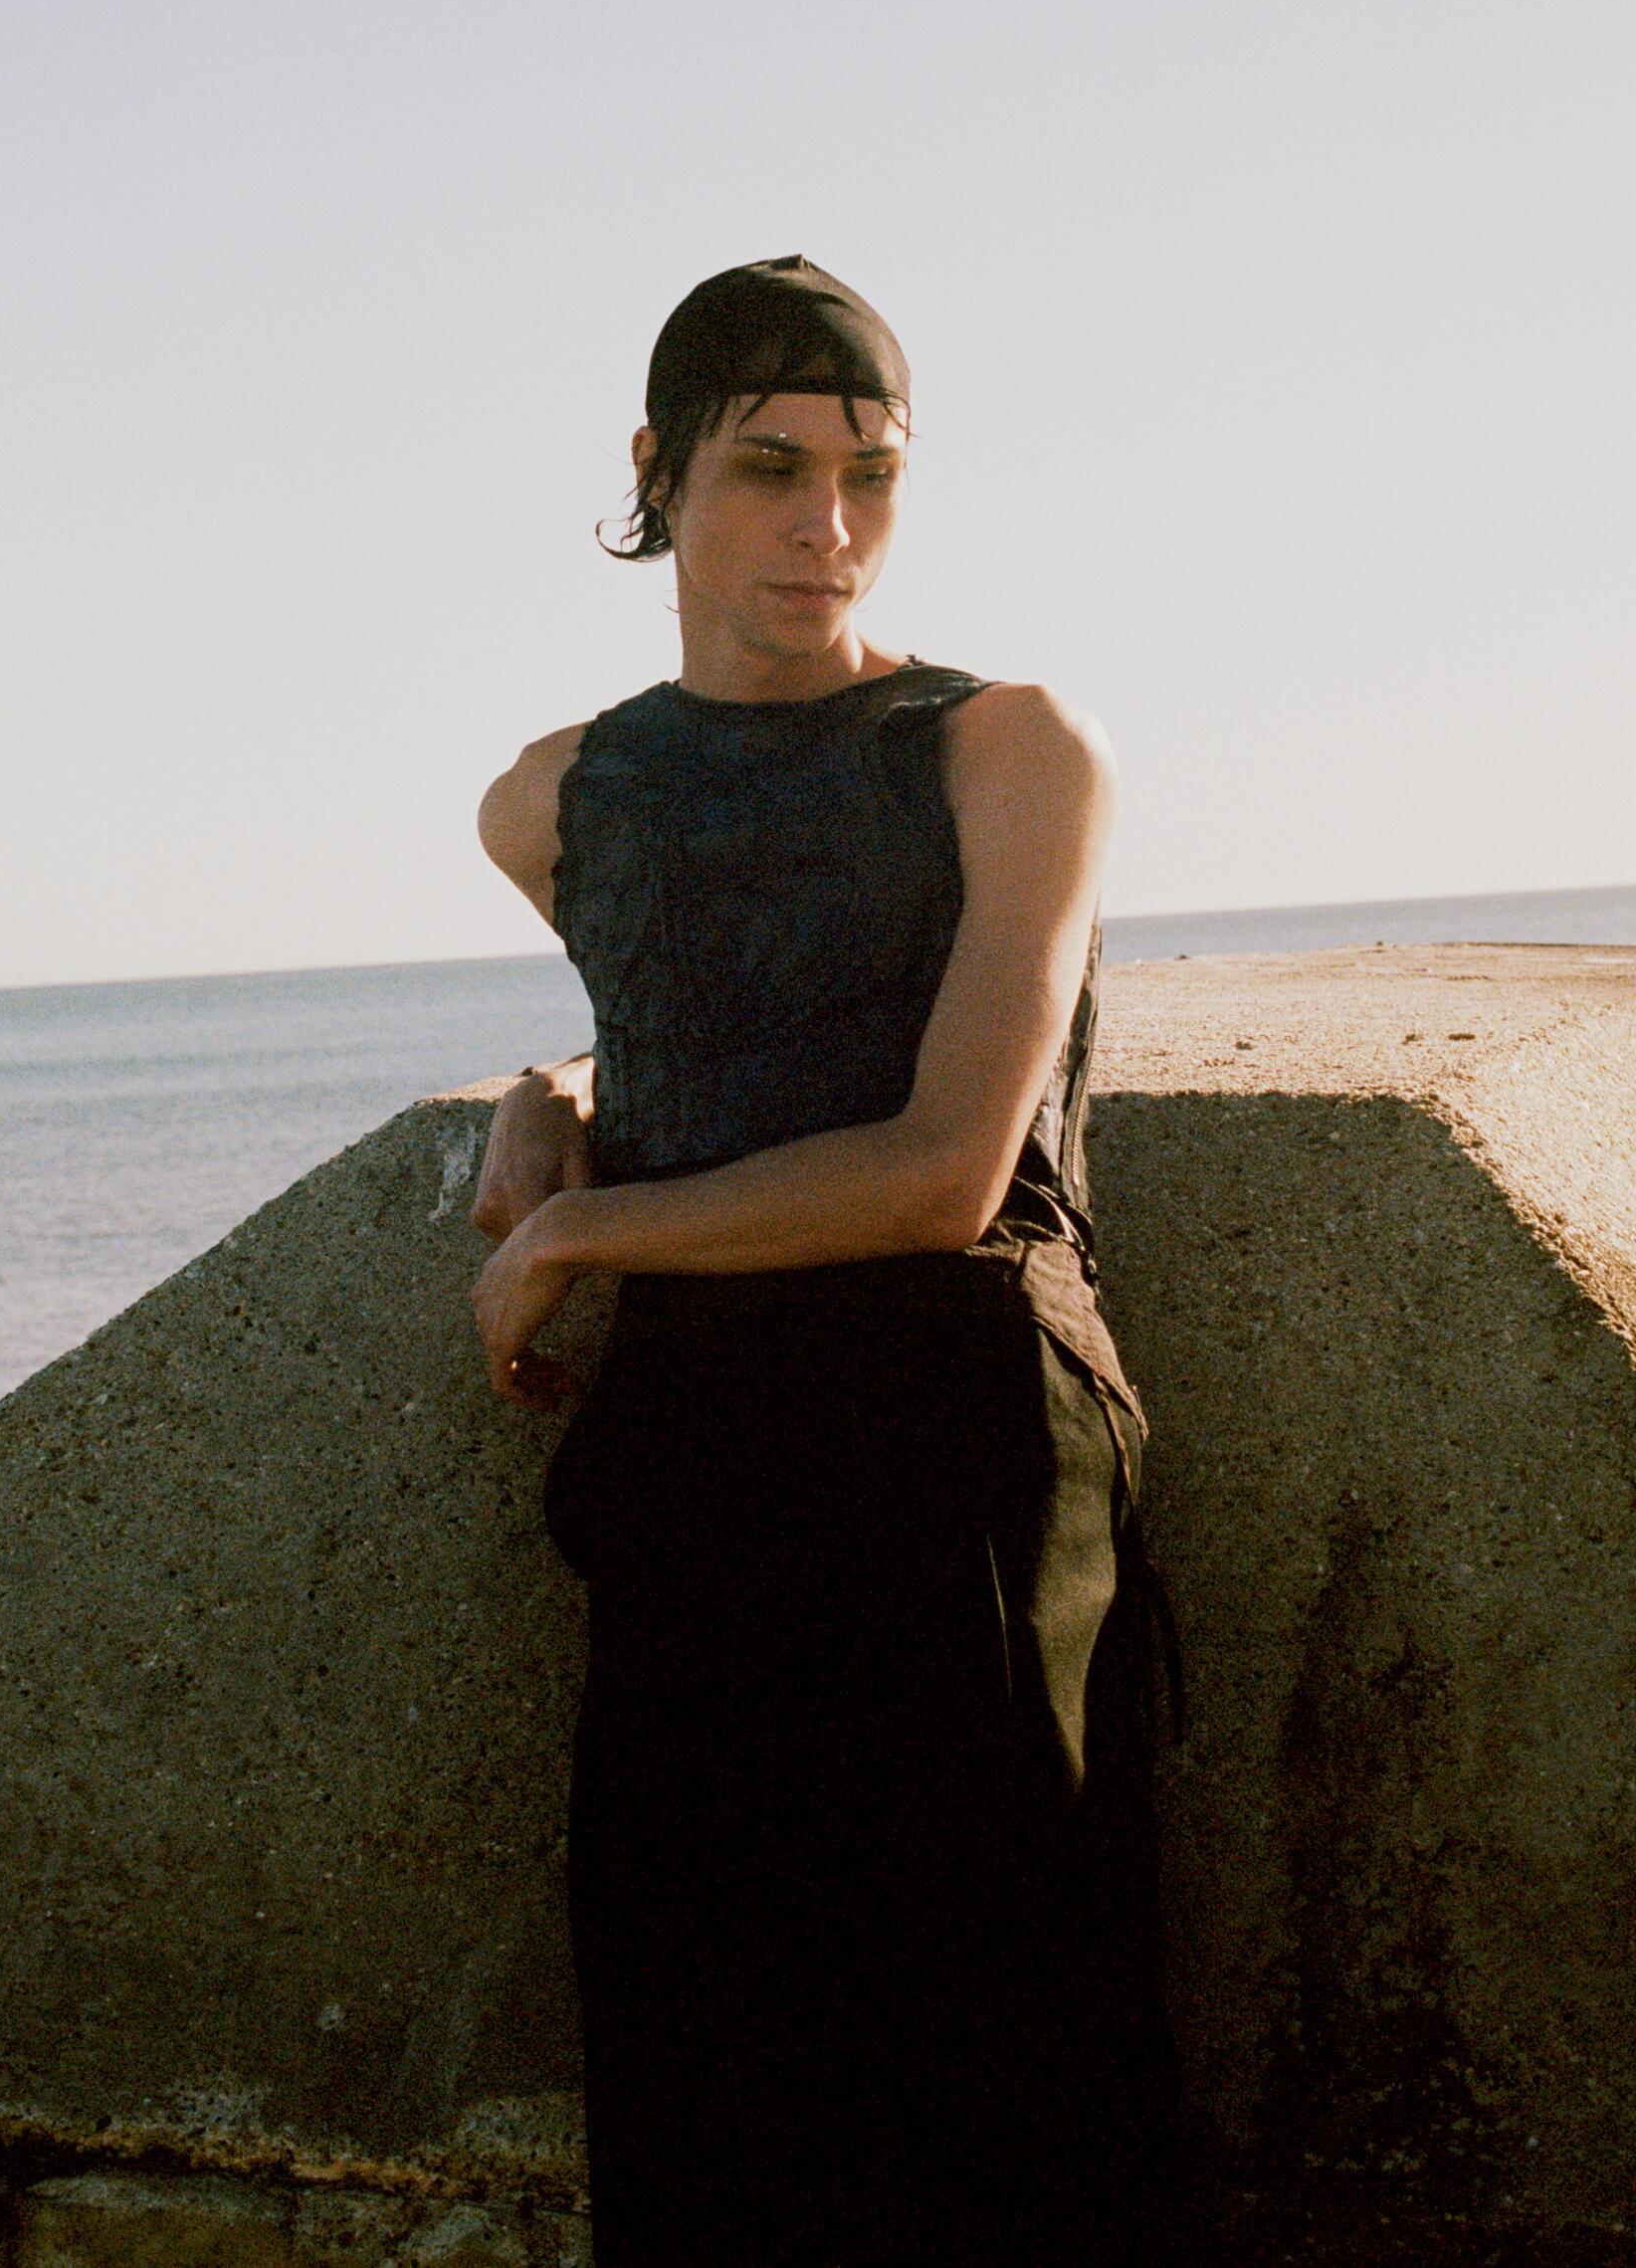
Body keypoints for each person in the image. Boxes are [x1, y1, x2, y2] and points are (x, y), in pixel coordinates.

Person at [470, 257, 1179, 2268]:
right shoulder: (556, 800)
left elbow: (945, 1163)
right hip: (696, 1452)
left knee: (1008, 2089)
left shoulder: (1009, 748)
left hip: (955, 1430)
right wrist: (548, 1106)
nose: (829, 525)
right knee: (706, 2105)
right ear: (655, 471)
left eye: (869, 472)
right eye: (770, 468)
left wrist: (585, 1220)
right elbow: (708, 1041)